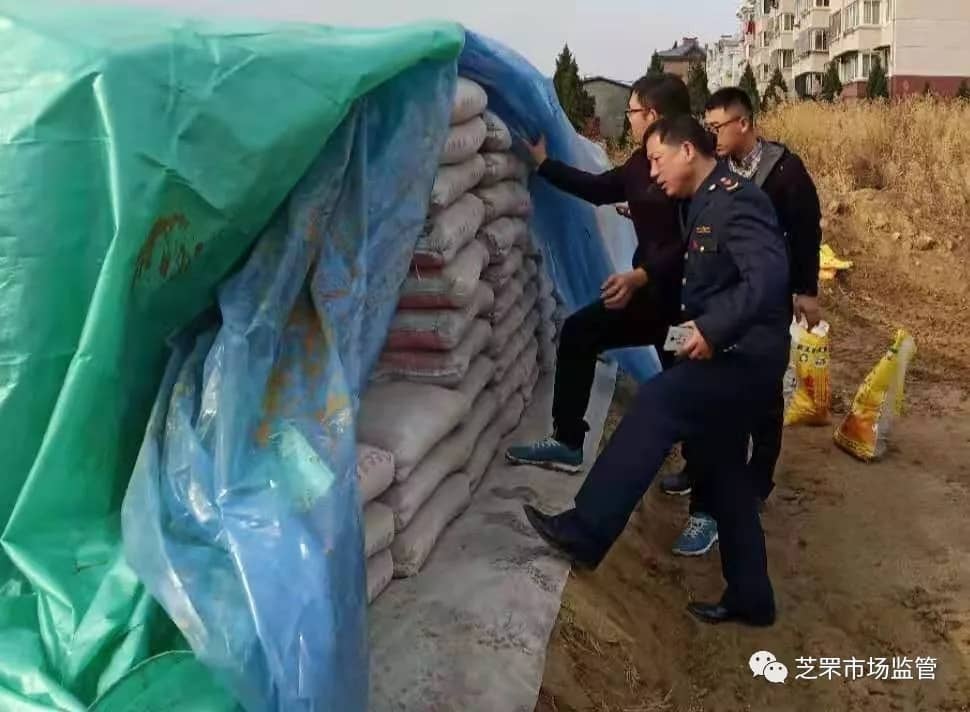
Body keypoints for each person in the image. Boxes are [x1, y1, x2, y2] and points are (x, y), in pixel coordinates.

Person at [522, 115, 791, 627]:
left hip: (743, 356)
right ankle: (752, 596)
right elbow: (697, 266)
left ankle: (586, 530)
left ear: (687, 150)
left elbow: (768, 278)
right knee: (725, 473)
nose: (651, 171)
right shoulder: (702, 200)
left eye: (656, 159)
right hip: (725, 350)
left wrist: (712, 328)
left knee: (658, 401)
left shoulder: (738, 201)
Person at [661, 86, 823, 558]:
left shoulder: (784, 172)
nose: (711, 134)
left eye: (717, 126)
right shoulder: (715, 172)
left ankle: (754, 484)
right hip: (716, 303)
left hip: (761, 305)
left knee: (761, 398)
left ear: (743, 123)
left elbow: (806, 231)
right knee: (700, 391)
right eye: (707, 127)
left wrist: (806, 290)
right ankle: (699, 472)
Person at [505, 74, 691, 473]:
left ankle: (704, 473)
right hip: (651, 298)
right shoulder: (642, 163)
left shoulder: (691, 169)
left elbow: (692, 242)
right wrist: (545, 165)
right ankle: (567, 440)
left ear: (653, 114)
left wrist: (640, 275)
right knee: (580, 333)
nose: (629, 119)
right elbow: (601, 188)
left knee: (689, 380)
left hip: (685, 304)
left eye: (633, 111)